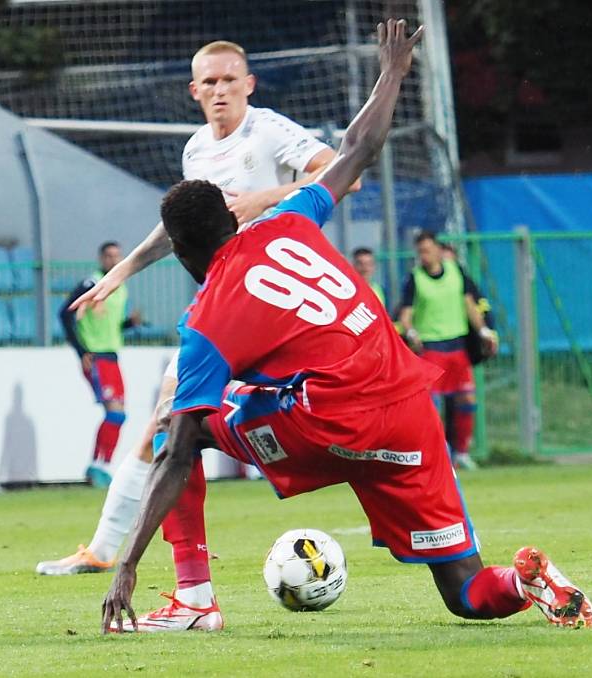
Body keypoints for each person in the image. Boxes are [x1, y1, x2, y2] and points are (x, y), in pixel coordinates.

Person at [100, 18, 592, 635]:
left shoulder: (206, 320)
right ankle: (524, 584)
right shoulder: (295, 219)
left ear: (179, 252)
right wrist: (391, 72)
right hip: (410, 408)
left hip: (333, 419)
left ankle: (195, 599)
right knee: (465, 590)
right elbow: (358, 149)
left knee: (188, 424)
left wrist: (126, 565)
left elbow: (174, 456)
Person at [36, 36, 358, 618]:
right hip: (223, 308)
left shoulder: (268, 132)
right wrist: (122, 271)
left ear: (249, 83)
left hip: (275, 308)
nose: (219, 91)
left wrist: (264, 198)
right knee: (164, 425)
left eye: (229, 80)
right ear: (193, 90)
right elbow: (180, 227)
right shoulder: (194, 152)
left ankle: (171, 583)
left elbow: (343, 175)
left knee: (184, 426)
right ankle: (115, 554)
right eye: (208, 83)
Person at [398, 232, 498, 470]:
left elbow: (469, 305)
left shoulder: (456, 271)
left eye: (428, 250)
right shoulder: (415, 278)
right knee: (432, 407)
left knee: (467, 397)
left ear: (438, 250)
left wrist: (483, 331)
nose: (424, 255)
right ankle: (438, 454)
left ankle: (462, 452)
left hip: (457, 345)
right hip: (431, 349)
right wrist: (410, 332)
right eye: (420, 251)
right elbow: (405, 315)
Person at [59, 241, 143, 488]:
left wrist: (129, 324)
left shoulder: (120, 286)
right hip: (96, 357)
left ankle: (101, 466)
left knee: (119, 415)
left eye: (117, 256)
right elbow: (65, 313)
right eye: (109, 256)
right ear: (100, 258)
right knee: (115, 413)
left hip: (112, 356)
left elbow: (110, 325)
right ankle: (97, 467)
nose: (114, 260)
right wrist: (81, 350)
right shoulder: (91, 283)